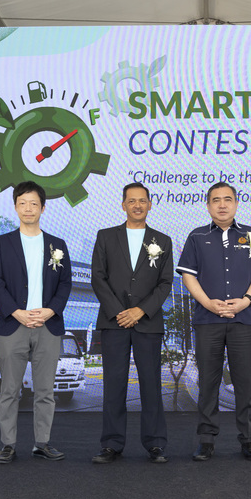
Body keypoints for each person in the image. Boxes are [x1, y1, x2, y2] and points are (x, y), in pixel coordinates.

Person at [176, 181, 251, 461]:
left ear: (236, 204)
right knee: (208, 382)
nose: (222, 205)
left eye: (227, 199)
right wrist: (208, 303)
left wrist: (247, 300)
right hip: (208, 320)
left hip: (243, 320)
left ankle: (249, 440)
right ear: (208, 206)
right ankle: (206, 440)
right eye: (216, 200)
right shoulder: (196, 236)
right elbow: (188, 275)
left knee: (244, 382)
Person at [0, 181, 72, 464]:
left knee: (45, 390)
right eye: (22, 203)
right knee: (9, 390)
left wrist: (50, 311)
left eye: (34, 203)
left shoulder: (58, 245)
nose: (28, 208)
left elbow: (65, 283)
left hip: (48, 325)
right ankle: (8, 445)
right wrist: (16, 311)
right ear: (15, 207)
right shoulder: (2, 243)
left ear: (43, 208)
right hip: (13, 325)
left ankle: (42, 443)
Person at [90, 183, 173, 464]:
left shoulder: (163, 241)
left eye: (142, 201)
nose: (137, 205)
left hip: (147, 322)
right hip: (114, 322)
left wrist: (140, 310)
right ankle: (111, 444)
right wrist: (119, 311)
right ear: (123, 205)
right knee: (114, 384)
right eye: (132, 201)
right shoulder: (105, 236)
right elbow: (98, 277)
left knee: (151, 384)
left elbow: (165, 283)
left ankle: (155, 443)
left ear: (150, 204)